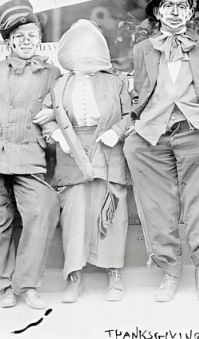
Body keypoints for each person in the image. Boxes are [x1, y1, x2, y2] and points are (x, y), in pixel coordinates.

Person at [123, 0, 199, 302]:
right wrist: (133, 123)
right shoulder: (142, 49)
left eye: (183, 6)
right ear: (158, 11)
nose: (175, 12)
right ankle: (169, 270)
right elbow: (136, 92)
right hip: (152, 136)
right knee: (157, 206)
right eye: (169, 5)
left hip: (198, 131)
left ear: (191, 11)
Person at [0, 0, 61, 309]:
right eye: (18, 37)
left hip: (28, 155)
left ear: (40, 40)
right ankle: (3, 287)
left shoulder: (52, 73)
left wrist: (54, 116)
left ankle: (28, 285)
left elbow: (64, 106)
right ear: (7, 43)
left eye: (32, 36)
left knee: (44, 207)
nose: (26, 42)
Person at [39, 19, 131, 303]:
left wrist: (116, 132)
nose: (84, 59)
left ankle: (114, 274)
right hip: (72, 153)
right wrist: (58, 135)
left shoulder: (115, 82)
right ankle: (74, 277)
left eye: (89, 53)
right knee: (74, 214)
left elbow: (131, 116)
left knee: (112, 211)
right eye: (78, 53)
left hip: (108, 151)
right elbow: (45, 118)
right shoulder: (59, 85)